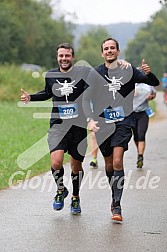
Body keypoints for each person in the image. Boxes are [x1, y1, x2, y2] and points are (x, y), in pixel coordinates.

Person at [83, 37, 160, 221]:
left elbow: (154, 82)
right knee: (109, 165)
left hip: (124, 121)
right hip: (103, 124)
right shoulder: (95, 73)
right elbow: (85, 100)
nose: (109, 51)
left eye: (112, 48)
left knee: (118, 162)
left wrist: (149, 73)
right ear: (102, 53)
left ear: (118, 51)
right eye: (106, 48)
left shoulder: (129, 70)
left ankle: (117, 206)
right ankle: (114, 195)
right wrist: (90, 120)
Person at [21, 42, 90, 215]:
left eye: (67, 55)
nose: (64, 58)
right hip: (58, 126)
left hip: (78, 126)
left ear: (73, 57)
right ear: (57, 57)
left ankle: (75, 196)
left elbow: (92, 92)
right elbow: (47, 93)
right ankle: (61, 190)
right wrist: (31, 97)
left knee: (76, 167)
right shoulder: (51, 75)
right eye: (61, 56)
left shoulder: (82, 74)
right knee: (56, 162)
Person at [133, 82, 156, 168]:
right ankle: (139, 151)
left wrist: (151, 97)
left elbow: (154, 93)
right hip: (132, 113)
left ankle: (140, 156)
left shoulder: (148, 85)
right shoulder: (131, 83)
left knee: (141, 134)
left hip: (143, 113)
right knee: (136, 136)